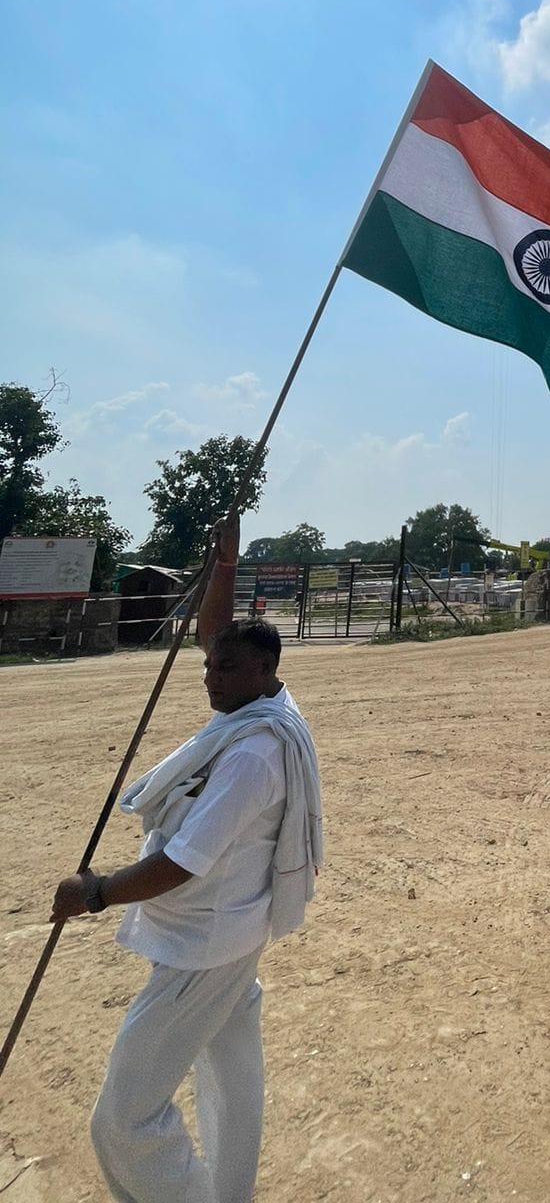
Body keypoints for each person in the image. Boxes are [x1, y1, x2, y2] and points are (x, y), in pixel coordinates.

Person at [51, 514, 323, 1203]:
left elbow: (183, 862)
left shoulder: (255, 752)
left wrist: (95, 891)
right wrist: (225, 568)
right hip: (231, 932)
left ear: (265, 670)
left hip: (201, 946)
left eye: (225, 667)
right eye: (208, 665)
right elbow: (213, 635)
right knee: (233, 1078)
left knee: (123, 1119)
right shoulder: (255, 705)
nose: (210, 676)